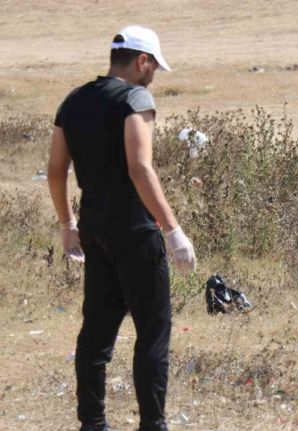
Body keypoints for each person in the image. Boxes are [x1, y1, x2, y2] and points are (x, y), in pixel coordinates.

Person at [47, 25, 196, 431]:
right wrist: (172, 229)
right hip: (135, 230)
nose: (153, 77)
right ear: (141, 61)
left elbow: (56, 171)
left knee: (95, 334)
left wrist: (67, 224)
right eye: (152, 67)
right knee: (152, 333)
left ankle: (92, 424)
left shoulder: (73, 101)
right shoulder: (135, 98)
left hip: (94, 229)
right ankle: (153, 425)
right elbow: (139, 167)